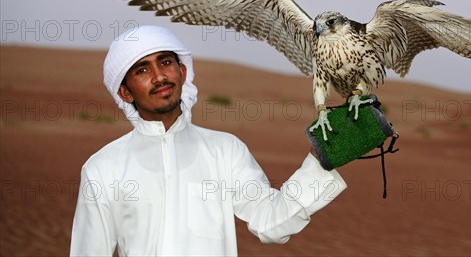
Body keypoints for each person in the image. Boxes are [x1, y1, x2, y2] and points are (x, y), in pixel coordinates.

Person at [70, 25, 347, 256]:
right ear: (125, 92)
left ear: (183, 72)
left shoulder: (225, 151)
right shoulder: (103, 169)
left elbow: (271, 222)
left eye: (165, 62)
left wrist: (320, 159)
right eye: (142, 70)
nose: (159, 76)